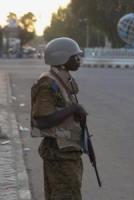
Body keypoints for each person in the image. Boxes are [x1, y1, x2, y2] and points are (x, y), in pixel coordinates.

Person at [31, 37, 87, 200]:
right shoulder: (48, 83)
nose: (78, 59)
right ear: (62, 59)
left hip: (66, 150)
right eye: (74, 56)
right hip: (59, 154)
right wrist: (74, 109)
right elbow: (42, 120)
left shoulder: (61, 79)